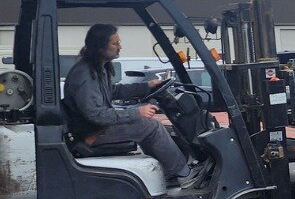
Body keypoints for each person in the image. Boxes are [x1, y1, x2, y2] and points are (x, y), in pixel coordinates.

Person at [63, 23, 198, 189]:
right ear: (100, 46)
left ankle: (170, 172)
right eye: (115, 43)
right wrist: (136, 113)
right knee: (151, 126)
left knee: (149, 126)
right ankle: (185, 175)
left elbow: (113, 91)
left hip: (96, 128)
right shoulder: (85, 74)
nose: (120, 47)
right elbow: (96, 115)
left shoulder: (98, 68)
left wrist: (147, 86)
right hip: (90, 134)